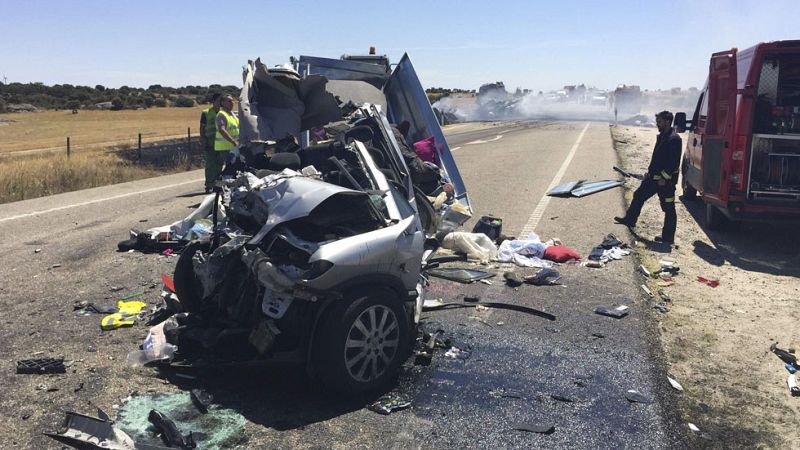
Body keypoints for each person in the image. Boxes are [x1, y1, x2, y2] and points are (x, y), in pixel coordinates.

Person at [614, 110, 682, 244]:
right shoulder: (662, 136)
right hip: (652, 179)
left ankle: (668, 238)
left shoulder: (674, 139)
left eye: (660, 122)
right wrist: (649, 172)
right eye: (657, 121)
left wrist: (665, 178)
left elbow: (674, 163)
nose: (657, 124)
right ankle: (630, 220)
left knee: (668, 208)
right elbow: (656, 159)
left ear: (668, 122)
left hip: (665, 182)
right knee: (638, 195)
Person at [199, 93, 222, 193]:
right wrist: (203, 140)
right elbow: (202, 128)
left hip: (221, 143)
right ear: (213, 101)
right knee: (210, 165)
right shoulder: (206, 113)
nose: (219, 103)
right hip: (210, 142)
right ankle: (209, 185)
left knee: (219, 164)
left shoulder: (223, 113)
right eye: (218, 101)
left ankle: (217, 184)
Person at [214, 94, 240, 175]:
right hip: (226, 147)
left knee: (235, 167)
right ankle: (221, 182)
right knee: (231, 167)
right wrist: (233, 141)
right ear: (223, 103)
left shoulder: (232, 114)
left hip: (234, 147)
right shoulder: (221, 114)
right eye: (229, 101)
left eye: (232, 101)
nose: (232, 102)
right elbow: (222, 130)